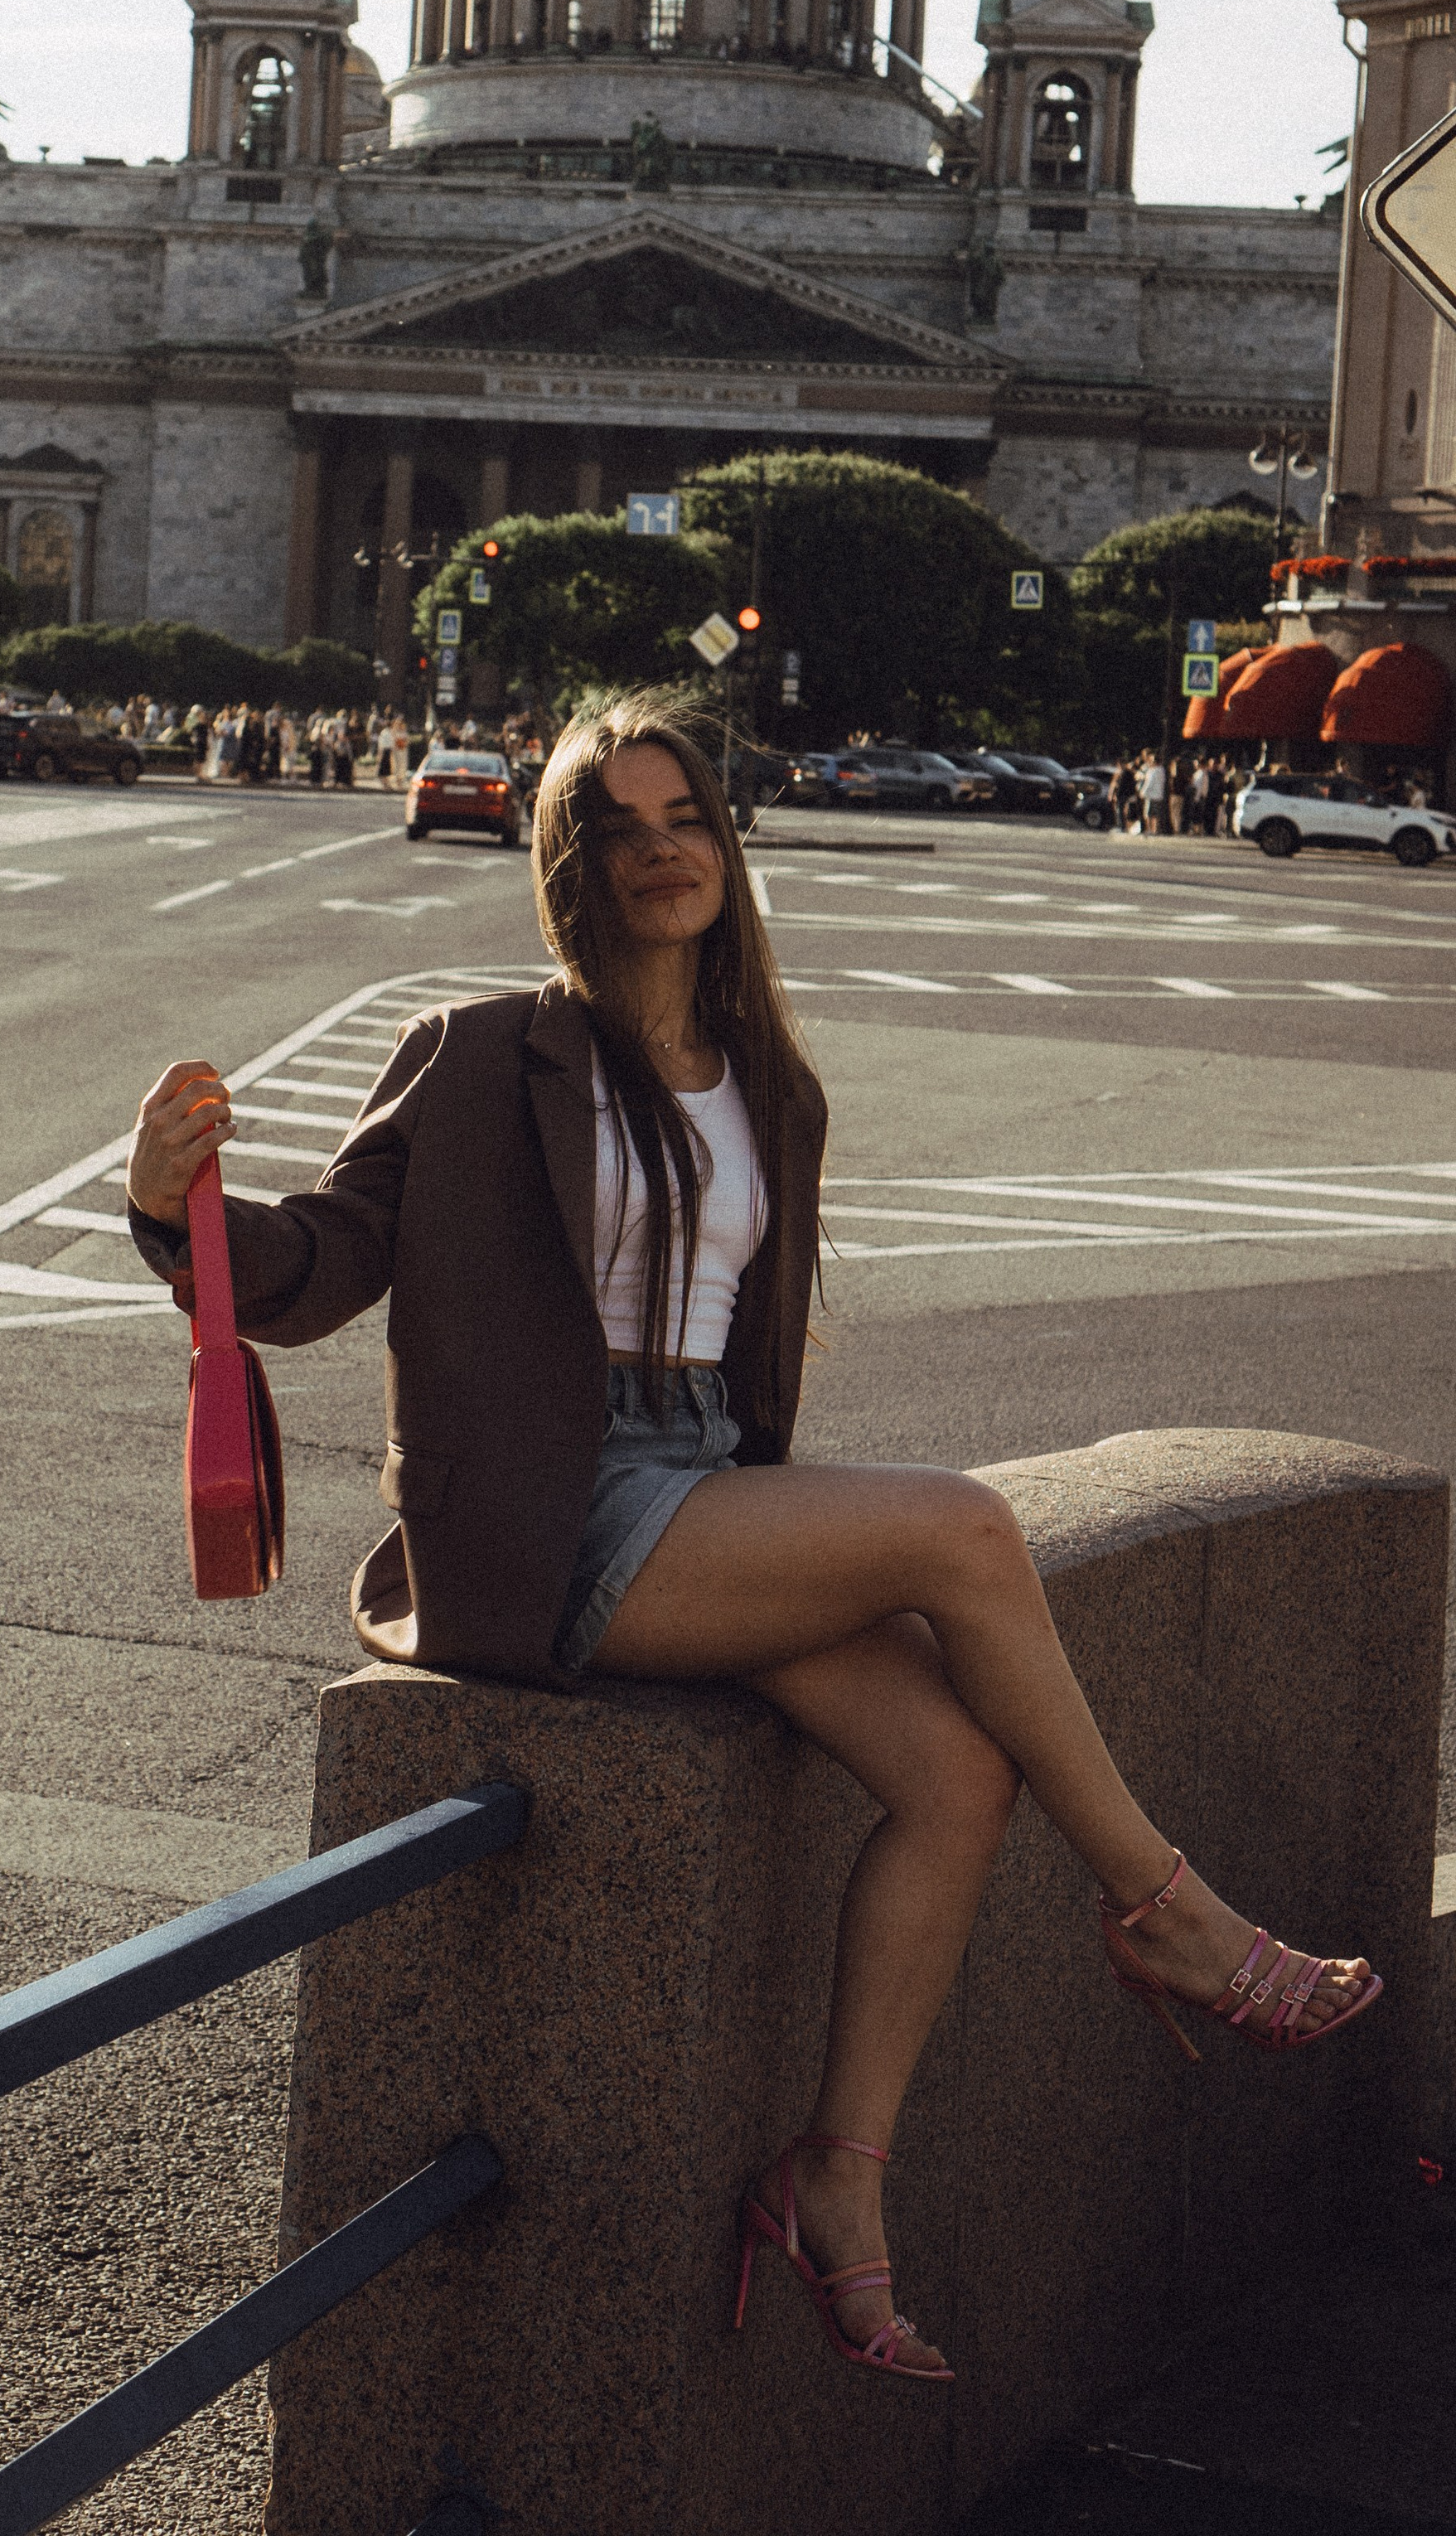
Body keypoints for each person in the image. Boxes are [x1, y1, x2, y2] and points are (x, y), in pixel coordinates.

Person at [127, 694, 1381, 2386]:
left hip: (704, 1483)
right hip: (560, 1514)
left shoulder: (765, 1084)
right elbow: (316, 1268)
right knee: (962, 1528)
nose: (658, 848)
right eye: (616, 826)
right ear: (566, 865)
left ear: (726, 844)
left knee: (953, 1775)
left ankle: (833, 2183)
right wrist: (168, 1201)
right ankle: (1166, 1912)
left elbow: (734, 1364)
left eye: (684, 817)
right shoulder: (488, 1048)